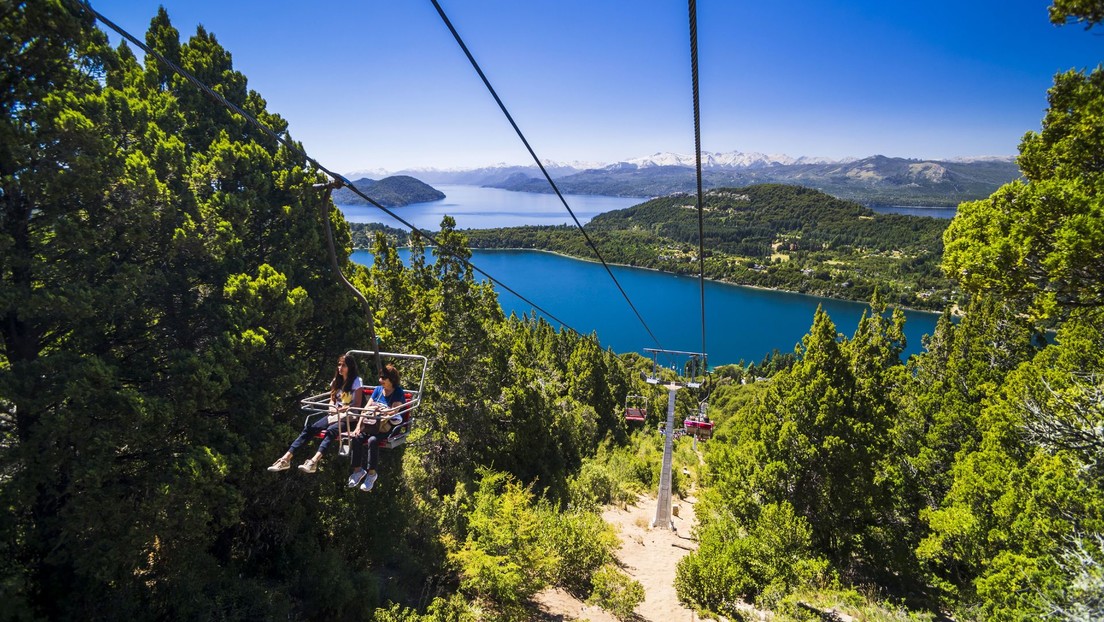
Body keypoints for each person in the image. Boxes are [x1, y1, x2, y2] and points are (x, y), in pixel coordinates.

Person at [267, 352, 363, 473]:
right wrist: (332, 408)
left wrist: (344, 409)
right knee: (310, 428)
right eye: (339, 365)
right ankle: (285, 459)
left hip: (349, 417)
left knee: (331, 431)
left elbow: (357, 405)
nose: (340, 368)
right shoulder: (336, 381)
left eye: (343, 365)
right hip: (335, 415)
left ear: (350, 367)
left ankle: (314, 461)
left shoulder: (356, 381)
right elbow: (332, 400)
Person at [346, 363, 406, 492]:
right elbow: (365, 409)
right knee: (356, 438)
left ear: (391, 380)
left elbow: (393, 411)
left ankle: (371, 474)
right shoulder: (378, 390)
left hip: (386, 426)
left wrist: (378, 408)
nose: (380, 380)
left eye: (383, 378)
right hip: (371, 424)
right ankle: (357, 471)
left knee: (372, 441)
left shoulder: (398, 392)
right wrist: (357, 427)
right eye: (380, 377)